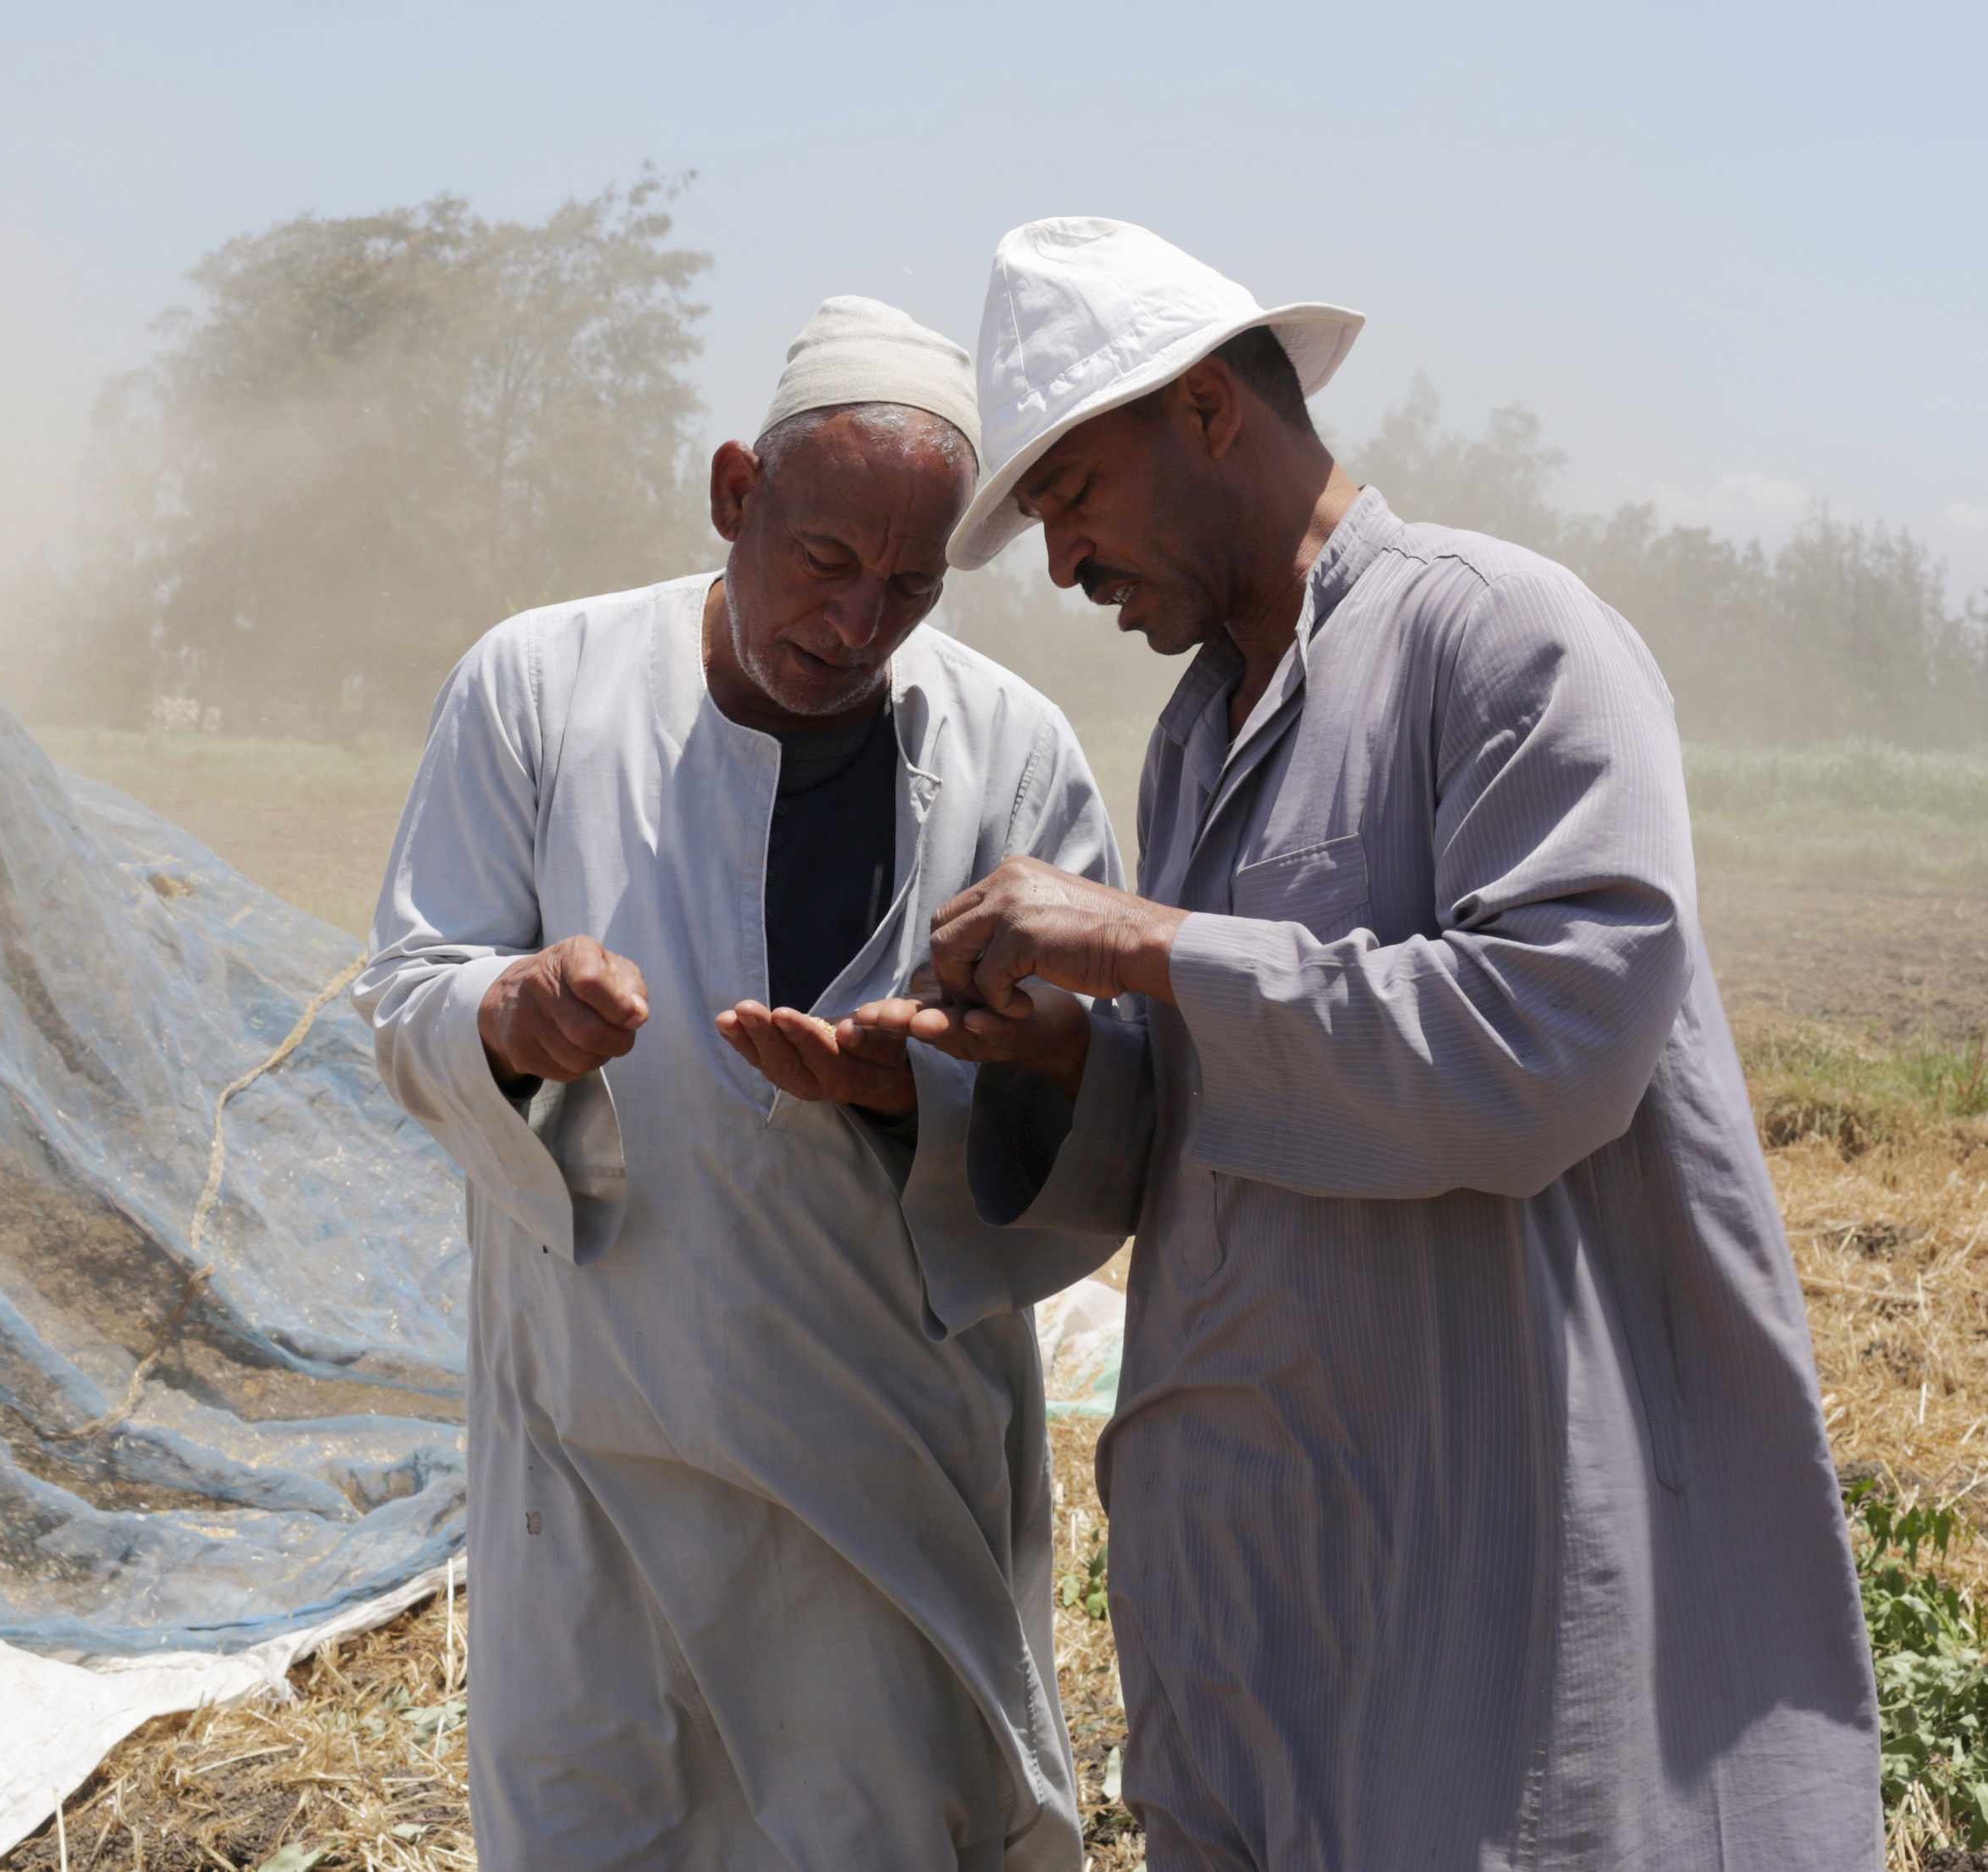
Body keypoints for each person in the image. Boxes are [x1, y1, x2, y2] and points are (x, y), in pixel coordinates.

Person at [850, 218, 1880, 1869]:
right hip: (1265, 1603)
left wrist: (1146, 943)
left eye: (1071, 499)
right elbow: (1242, 1098)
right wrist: (1061, 1060)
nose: (1061, 566)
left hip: (1477, 1582)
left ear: (1204, 413)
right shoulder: (1200, 732)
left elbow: (1546, 1046)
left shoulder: (1502, 641)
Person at [358, 296, 1121, 1870]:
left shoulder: (1014, 753)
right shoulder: (538, 689)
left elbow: (1093, 1106)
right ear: (733, 496)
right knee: (608, 1813)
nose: (855, 625)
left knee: (885, 1820)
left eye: (909, 586)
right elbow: (410, 990)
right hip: (597, 1442)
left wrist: (909, 1097)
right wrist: (518, 1015)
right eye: (825, 564)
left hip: (877, 1468)